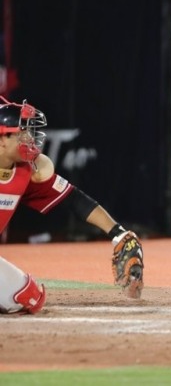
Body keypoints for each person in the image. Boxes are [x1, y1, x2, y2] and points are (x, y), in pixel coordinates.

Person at [0, 97, 143, 314]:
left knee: (29, 297)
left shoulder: (26, 171)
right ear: (2, 139)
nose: (29, 138)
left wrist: (118, 233)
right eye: (21, 132)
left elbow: (73, 199)